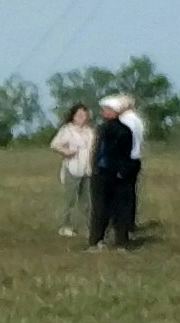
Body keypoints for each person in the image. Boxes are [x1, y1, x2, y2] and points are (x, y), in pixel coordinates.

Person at [89, 95, 142, 251]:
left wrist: (97, 168)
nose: (103, 112)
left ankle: (97, 240)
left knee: (102, 208)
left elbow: (104, 152)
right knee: (119, 209)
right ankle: (121, 241)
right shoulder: (123, 130)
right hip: (116, 173)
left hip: (107, 173)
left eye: (106, 109)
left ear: (113, 111)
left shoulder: (109, 130)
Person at [50, 103, 95, 236]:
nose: (82, 117)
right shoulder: (67, 130)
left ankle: (88, 226)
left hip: (87, 169)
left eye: (84, 114)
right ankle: (66, 226)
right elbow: (54, 144)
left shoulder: (90, 131)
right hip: (72, 168)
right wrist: (66, 152)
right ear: (73, 117)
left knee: (87, 201)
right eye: (79, 115)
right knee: (70, 199)